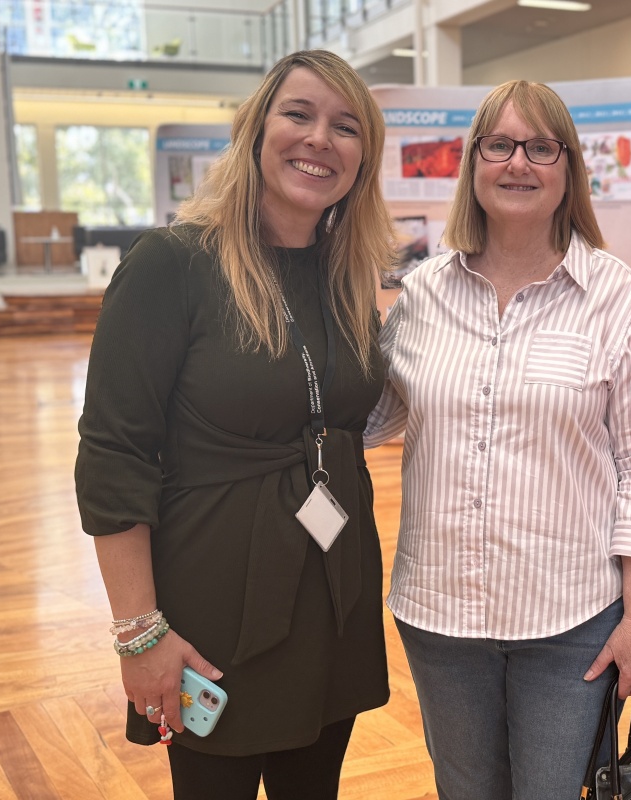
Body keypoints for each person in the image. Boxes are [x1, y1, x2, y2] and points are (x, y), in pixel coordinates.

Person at [75, 50, 394, 799]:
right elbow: (114, 456)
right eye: (298, 114)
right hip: (213, 608)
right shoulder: (172, 264)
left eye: (346, 127)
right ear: (255, 130)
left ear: (363, 159)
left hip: (334, 592)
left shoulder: (349, 277)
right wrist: (139, 633)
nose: (320, 139)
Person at [365, 79, 631, 800]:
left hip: (573, 620)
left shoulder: (614, 296)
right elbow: (367, 418)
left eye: (541, 148)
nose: (517, 163)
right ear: (473, 163)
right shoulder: (423, 294)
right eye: (499, 145)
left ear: (570, 168)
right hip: (440, 615)